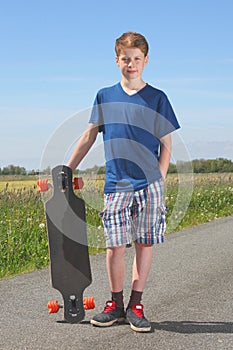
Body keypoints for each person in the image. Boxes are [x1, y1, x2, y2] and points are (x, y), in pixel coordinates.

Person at [67, 31, 180, 332]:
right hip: (116, 184)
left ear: (146, 61)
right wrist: (67, 168)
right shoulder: (105, 95)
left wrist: (160, 178)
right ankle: (115, 304)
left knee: (144, 244)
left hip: (149, 185)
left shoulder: (157, 98)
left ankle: (136, 305)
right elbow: (90, 136)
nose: (131, 64)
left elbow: (166, 143)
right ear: (117, 60)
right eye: (126, 59)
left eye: (137, 59)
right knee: (114, 246)